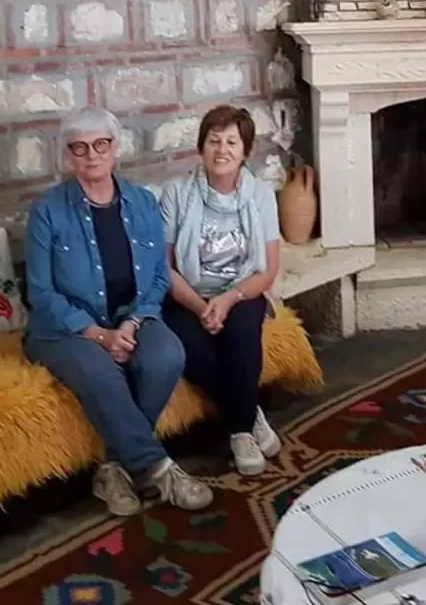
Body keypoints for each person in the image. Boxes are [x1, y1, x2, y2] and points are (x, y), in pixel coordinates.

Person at [23, 106, 214, 517]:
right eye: (80, 147)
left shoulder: (143, 203)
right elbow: (40, 293)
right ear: (68, 155)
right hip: (62, 330)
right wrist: (98, 335)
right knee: (101, 370)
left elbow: (158, 277)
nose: (91, 155)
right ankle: (159, 469)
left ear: (115, 148)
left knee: (166, 355)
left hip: (130, 316)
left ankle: (112, 468)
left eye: (100, 144)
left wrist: (132, 321)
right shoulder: (47, 212)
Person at [159, 105, 283, 476]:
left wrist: (228, 300)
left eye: (232, 142)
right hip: (187, 293)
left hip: (241, 290)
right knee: (190, 346)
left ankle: (239, 433)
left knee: (243, 331)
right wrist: (202, 308)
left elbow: (267, 270)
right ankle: (247, 413)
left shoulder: (261, 195)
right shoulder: (177, 193)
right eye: (214, 141)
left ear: (246, 151)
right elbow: (164, 268)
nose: (222, 150)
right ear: (201, 147)